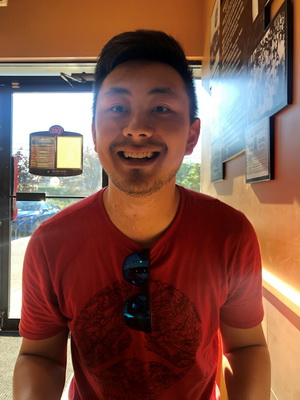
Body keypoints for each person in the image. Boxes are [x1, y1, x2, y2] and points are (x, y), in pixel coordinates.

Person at [13, 30, 271, 400]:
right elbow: (40, 355)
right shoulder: (50, 242)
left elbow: (245, 347)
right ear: (95, 132)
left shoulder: (230, 233)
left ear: (191, 136)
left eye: (161, 108)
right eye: (117, 108)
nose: (136, 127)